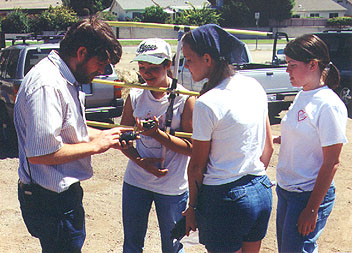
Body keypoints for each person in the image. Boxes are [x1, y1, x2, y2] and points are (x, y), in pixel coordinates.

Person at [15, 17, 133, 252]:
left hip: (59, 198)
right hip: (50, 202)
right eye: (101, 63)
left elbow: (68, 131)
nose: (102, 71)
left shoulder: (65, 78)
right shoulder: (47, 85)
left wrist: (107, 136)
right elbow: (42, 153)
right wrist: (96, 146)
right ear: (81, 52)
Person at [182, 24, 274, 253]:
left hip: (225, 197)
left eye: (188, 59)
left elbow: (196, 166)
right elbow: (268, 147)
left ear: (207, 59)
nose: (185, 65)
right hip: (260, 190)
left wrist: (192, 207)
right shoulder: (253, 85)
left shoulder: (207, 102)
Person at [120, 38, 195, 252]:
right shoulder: (134, 95)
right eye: (142, 68)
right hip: (136, 181)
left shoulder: (185, 98)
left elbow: (191, 147)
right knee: (132, 244)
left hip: (171, 186)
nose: (146, 74)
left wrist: (157, 134)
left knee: (172, 245)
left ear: (167, 66)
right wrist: (142, 162)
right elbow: (123, 138)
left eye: (152, 68)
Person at [274, 34, 348, 252]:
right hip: (287, 189)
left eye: (292, 65)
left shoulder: (328, 105)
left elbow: (332, 161)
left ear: (313, 64)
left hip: (307, 194)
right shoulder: (303, 94)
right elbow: (300, 136)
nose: (287, 70)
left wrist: (312, 209)